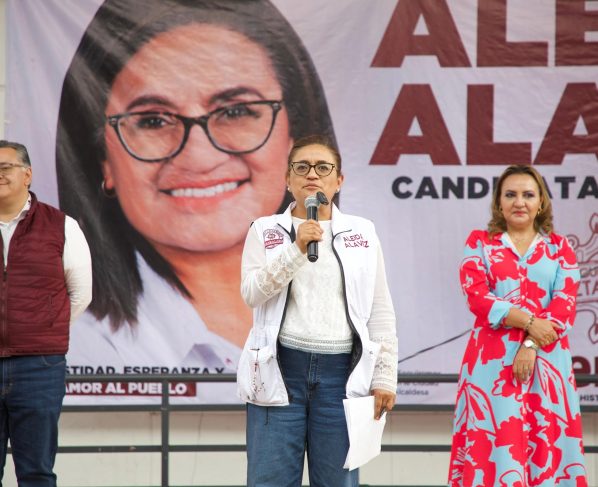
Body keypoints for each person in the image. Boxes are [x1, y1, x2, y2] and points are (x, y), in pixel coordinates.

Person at [55, 0, 336, 393]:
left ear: (294, 138)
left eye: (237, 112)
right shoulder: (78, 344)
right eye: (153, 120)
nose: (199, 157)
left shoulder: (349, 279)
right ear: (103, 161)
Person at [237, 135, 398, 486]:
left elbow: (380, 309)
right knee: (270, 480)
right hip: (281, 370)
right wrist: (296, 248)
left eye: (323, 168)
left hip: (340, 376)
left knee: (337, 481)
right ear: (288, 179)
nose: (313, 174)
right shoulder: (265, 230)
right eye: (302, 167)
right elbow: (252, 293)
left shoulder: (363, 232)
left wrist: (385, 376)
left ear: (338, 180)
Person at [448, 165, 587, 486]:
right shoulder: (480, 243)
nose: (519, 202)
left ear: (541, 202)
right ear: (498, 203)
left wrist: (530, 344)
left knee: (549, 446)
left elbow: (565, 304)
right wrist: (529, 322)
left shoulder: (559, 248)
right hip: (491, 365)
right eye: (510, 195)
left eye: (528, 194)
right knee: (493, 449)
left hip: (548, 363)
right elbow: (478, 298)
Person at [0, 141, 92, 486]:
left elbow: (81, 294)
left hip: (39, 366)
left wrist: (39, 327)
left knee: (36, 471)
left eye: (5, 167)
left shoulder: (61, 226)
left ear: (27, 174)